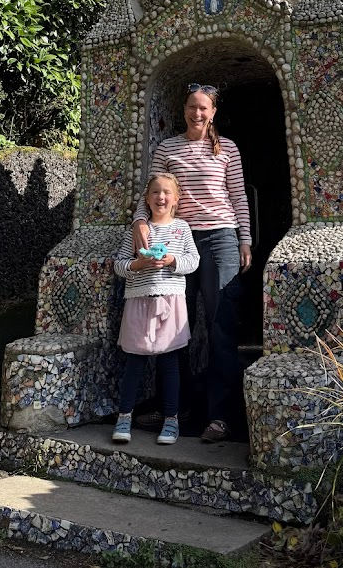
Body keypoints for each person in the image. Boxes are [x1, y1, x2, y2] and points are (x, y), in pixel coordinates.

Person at [133, 83, 251, 442]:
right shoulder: (167, 148)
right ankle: (175, 408)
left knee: (221, 323)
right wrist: (140, 220)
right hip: (178, 239)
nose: (196, 113)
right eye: (191, 107)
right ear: (184, 109)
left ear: (213, 112)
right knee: (173, 324)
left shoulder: (227, 148)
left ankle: (220, 416)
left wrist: (244, 239)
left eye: (203, 108)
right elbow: (152, 191)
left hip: (221, 239)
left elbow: (238, 196)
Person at [112, 172, 199, 445]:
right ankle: (124, 416)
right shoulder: (137, 231)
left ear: (176, 198)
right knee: (134, 363)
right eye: (155, 192)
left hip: (170, 302)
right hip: (139, 300)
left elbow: (193, 260)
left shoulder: (182, 229)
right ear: (147, 199)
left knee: (169, 364)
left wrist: (172, 260)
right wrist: (136, 266)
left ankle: (171, 420)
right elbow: (119, 265)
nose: (161, 197)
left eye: (166, 192)